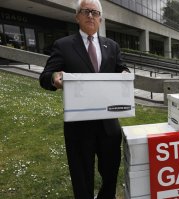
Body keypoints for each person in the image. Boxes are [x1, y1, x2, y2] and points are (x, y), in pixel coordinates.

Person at [39, 0, 130, 198]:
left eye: (94, 12)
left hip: (108, 125)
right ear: (77, 16)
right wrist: (54, 78)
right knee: (82, 178)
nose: (90, 16)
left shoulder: (112, 46)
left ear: (100, 18)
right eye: (85, 11)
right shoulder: (63, 46)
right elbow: (45, 76)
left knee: (110, 173)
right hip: (79, 126)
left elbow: (121, 68)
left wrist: (124, 72)